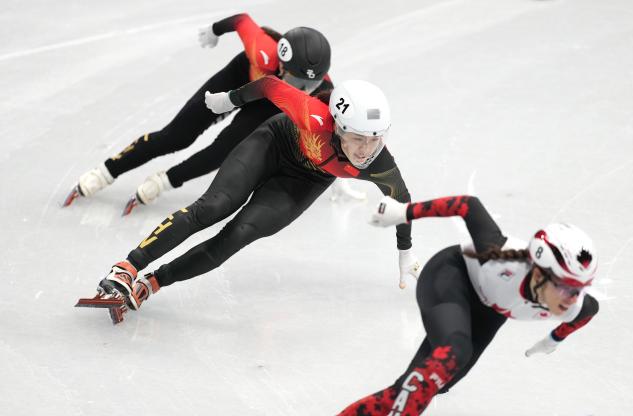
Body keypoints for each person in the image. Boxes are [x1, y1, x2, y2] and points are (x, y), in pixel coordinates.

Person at [85, 76, 421, 324]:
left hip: (304, 181)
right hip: (271, 144)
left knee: (238, 235)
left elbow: (401, 202)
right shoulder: (312, 115)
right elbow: (270, 86)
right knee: (214, 207)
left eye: (375, 140)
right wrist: (228, 99)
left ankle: (152, 283)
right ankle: (128, 267)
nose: (366, 150)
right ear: (336, 127)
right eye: (357, 139)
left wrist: (405, 253)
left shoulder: (379, 163)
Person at [63, 13, 362, 213]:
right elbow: (242, 20)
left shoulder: (322, 90)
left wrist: (339, 177)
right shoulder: (261, 51)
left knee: (225, 151)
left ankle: (164, 181)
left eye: (311, 82)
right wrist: (213, 31)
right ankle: (105, 172)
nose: (304, 89)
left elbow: (335, 137)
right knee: (176, 137)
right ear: (281, 62)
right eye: (298, 80)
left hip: (266, 102)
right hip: (239, 80)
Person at [337, 195, 600, 415]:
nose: (572, 298)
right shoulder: (499, 256)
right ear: (539, 273)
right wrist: (404, 212)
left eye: (579, 289)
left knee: (429, 384)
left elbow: (588, 312)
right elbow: (468, 206)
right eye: (566, 287)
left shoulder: (576, 306)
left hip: (490, 309)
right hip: (451, 277)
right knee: (456, 352)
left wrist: (554, 339)